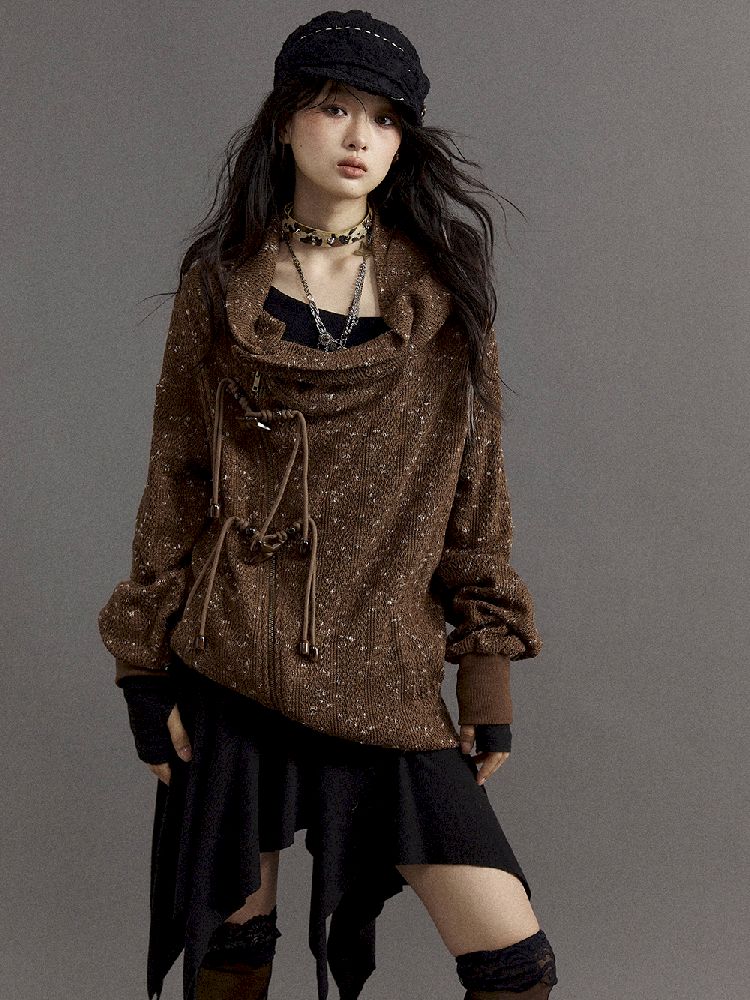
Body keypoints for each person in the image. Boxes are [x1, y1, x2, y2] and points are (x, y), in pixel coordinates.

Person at [98, 9, 559, 1000]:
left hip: (385, 669)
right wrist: (144, 672)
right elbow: (176, 481)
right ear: (283, 121)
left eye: (385, 119)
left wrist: (484, 676)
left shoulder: (442, 293)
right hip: (233, 661)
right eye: (335, 107)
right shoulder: (220, 286)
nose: (360, 137)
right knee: (232, 957)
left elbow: (477, 491)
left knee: (513, 962)